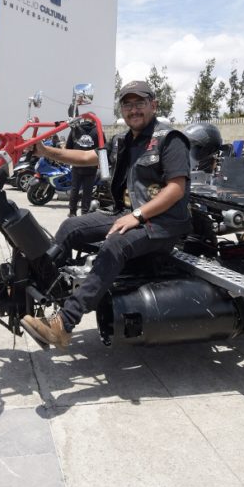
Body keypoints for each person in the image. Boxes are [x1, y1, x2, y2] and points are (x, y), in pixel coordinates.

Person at [18, 81, 191, 349]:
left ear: (153, 105)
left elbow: (176, 188)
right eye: (127, 104)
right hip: (129, 214)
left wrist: (138, 215)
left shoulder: (170, 139)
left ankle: (64, 324)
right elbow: (88, 157)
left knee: (115, 244)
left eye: (139, 103)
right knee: (71, 226)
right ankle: (33, 284)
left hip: (162, 223)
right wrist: (45, 151)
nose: (133, 110)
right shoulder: (123, 140)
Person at [65, 117, 100, 217]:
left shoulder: (75, 130)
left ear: (84, 119)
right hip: (91, 165)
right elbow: (102, 147)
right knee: (87, 190)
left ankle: (72, 212)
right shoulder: (98, 131)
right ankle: (84, 212)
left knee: (75, 189)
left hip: (77, 164)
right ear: (93, 120)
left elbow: (68, 147)